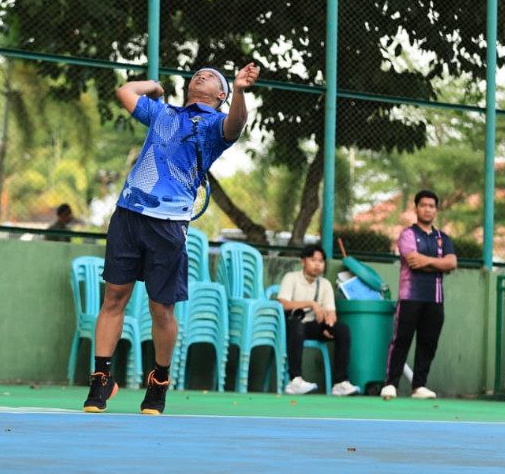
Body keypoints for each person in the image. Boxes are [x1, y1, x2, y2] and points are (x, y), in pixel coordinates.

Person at [83, 63, 260, 414]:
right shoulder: (163, 113)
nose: (201, 75)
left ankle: (159, 381)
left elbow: (236, 124)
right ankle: (101, 379)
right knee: (114, 298)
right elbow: (124, 91)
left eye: (211, 76)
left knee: (161, 308)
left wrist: (240, 90)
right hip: (128, 213)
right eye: (199, 73)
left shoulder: (215, 126)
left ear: (221, 94)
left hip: (169, 224)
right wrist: (154, 86)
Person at [381, 189, 457, 401]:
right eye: (423, 205)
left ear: (436, 210)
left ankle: (419, 386)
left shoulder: (443, 238)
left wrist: (427, 261)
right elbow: (413, 261)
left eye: (431, 206)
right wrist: (439, 264)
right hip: (410, 297)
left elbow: (452, 263)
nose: (427, 209)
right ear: (416, 208)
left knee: (428, 342)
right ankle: (390, 384)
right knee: (401, 340)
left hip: (435, 299)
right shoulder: (407, 235)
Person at [277, 244, 360, 396]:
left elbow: (331, 312)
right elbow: (283, 304)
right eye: (313, 260)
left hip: (313, 326)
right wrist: (311, 304)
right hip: (291, 325)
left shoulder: (325, 284)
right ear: (303, 261)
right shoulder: (291, 278)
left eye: (321, 261)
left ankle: (340, 383)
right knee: (297, 325)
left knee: (342, 329)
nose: (317, 264)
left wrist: (330, 323)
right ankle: (295, 381)